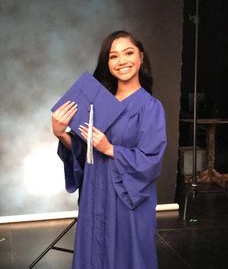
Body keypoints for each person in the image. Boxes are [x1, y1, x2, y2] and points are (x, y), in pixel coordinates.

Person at [51, 30, 167, 269]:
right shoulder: (96, 104)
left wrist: (111, 148)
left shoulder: (150, 107)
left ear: (141, 57)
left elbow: (151, 160)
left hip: (127, 198)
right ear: (107, 62)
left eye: (129, 53)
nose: (122, 61)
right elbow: (84, 153)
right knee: (94, 251)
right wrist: (61, 133)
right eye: (113, 56)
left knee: (128, 255)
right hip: (96, 193)